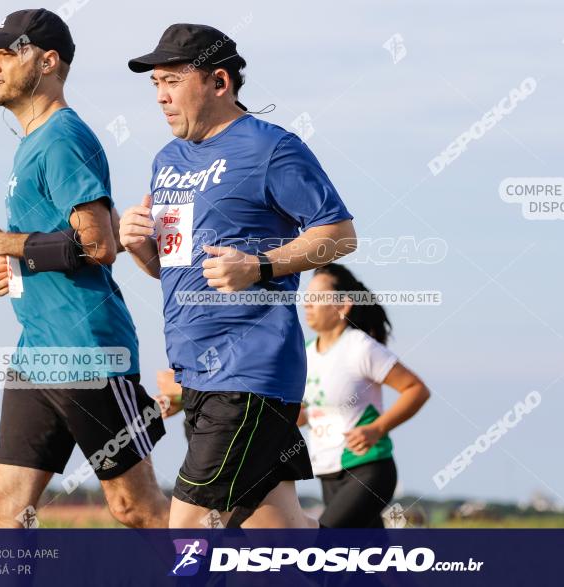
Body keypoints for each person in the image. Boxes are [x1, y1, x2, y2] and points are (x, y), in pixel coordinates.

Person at [119, 23, 356, 528]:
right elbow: (172, 270)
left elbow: (339, 234)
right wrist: (140, 247)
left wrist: (259, 265)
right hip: (196, 374)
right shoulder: (167, 161)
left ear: (219, 83)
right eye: (155, 83)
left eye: (172, 82)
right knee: (281, 534)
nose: (160, 97)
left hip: (250, 373)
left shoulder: (270, 148)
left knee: (186, 531)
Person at [0, 9, 168, 528]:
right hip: (37, 353)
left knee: (135, 509)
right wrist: (11, 259)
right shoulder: (31, 143)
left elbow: (98, 245)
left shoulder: (63, 137)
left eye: (8, 53)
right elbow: (54, 241)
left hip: (87, 351)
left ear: (48, 62)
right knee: (5, 502)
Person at [300, 263, 430, 527]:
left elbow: (416, 389)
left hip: (367, 468)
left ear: (343, 306)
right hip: (326, 471)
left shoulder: (359, 347)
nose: (307, 304)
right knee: (366, 561)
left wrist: (376, 428)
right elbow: (309, 410)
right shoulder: (305, 352)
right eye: (306, 297)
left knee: (322, 545)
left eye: (317, 297)